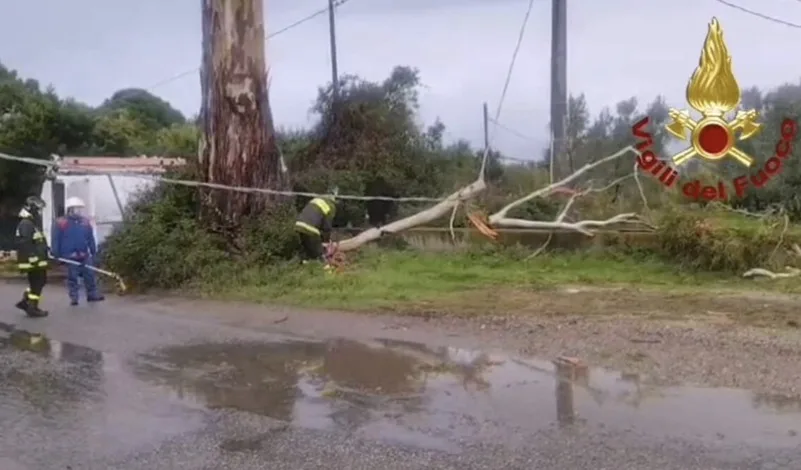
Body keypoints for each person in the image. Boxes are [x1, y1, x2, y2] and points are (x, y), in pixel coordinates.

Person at [52, 197, 105, 306]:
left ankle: (92, 294)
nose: (80, 211)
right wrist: (56, 253)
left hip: (84, 254)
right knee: (72, 277)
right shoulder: (61, 222)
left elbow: (90, 238)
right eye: (77, 208)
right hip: (69, 255)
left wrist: (93, 251)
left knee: (89, 275)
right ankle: (74, 297)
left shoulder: (85, 222)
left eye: (80, 209)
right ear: (70, 209)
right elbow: (56, 239)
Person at [14, 195, 50, 318]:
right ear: (32, 208)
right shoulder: (26, 223)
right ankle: (32, 308)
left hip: (37, 260)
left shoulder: (31, 222)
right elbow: (24, 242)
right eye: (38, 209)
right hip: (33, 261)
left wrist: (45, 249)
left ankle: (26, 302)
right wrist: (33, 256)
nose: (40, 212)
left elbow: (37, 241)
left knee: (39, 282)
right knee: (37, 283)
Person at [294, 190, 337, 271]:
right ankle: (328, 272)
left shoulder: (315, 200)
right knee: (319, 253)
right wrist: (326, 242)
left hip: (299, 225)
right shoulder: (330, 205)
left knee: (306, 251)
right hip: (310, 228)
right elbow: (327, 226)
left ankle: (304, 269)